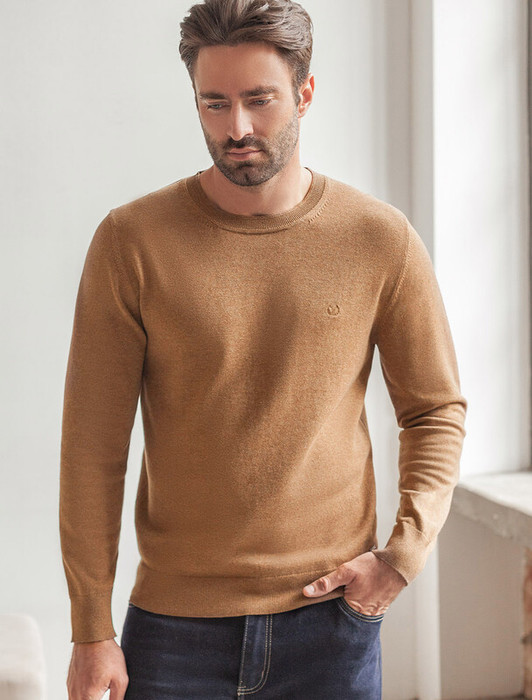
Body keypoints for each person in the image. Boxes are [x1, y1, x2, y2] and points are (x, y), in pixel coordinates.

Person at [59, 0, 467, 698]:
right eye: (214, 103)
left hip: (331, 619)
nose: (237, 128)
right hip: (174, 629)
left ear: (304, 94)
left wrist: (403, 554)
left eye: (259, 99)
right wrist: (90, 627)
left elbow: (435, 410)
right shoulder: (131, 241)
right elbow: (93, 447)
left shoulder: (379, 239)